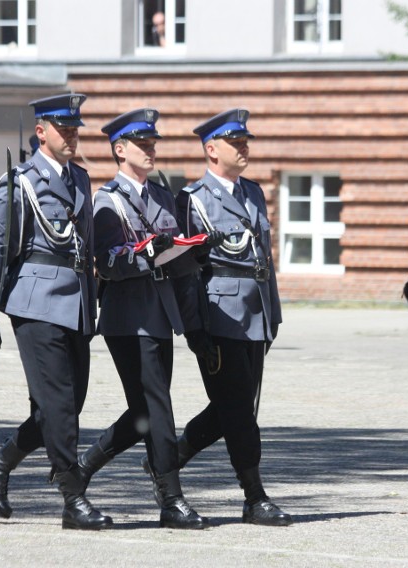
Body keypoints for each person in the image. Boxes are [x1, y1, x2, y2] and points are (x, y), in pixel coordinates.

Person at [0, 93, 109, 531]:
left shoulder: (80, 180)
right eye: (63, 129)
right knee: (60, 408)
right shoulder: (21, 182)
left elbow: (84, 247)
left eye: (75, 129)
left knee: (63, 406)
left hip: (77, 306)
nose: (71, 136)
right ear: (41, 132)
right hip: (35, 302)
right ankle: (73, 499)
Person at [79, 108, 220, 530]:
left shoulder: (161, 195)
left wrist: (192, 250)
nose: (151, 149)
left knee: (144, 411)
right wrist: (145, 252)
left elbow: (176, 261)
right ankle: (172, 499)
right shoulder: (106, 200)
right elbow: (106, 263)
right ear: (120, 150)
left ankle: (82, 468)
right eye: (142, 144)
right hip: (127, 319)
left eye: (153, 143)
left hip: (161, 316)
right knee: (159, 408)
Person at [169, 109, 292, 526]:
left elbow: (264, 260)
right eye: (235, 142)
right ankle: (254, 496)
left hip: (255, 313)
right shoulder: (192, 199)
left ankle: (171, 460)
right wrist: (193, 327)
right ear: (211, 149)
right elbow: (185, 271)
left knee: (232, 407)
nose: (244, 148)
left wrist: (273, 312)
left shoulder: (253, 193)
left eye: (245, 142)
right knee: (238, 409)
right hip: (219, 313)